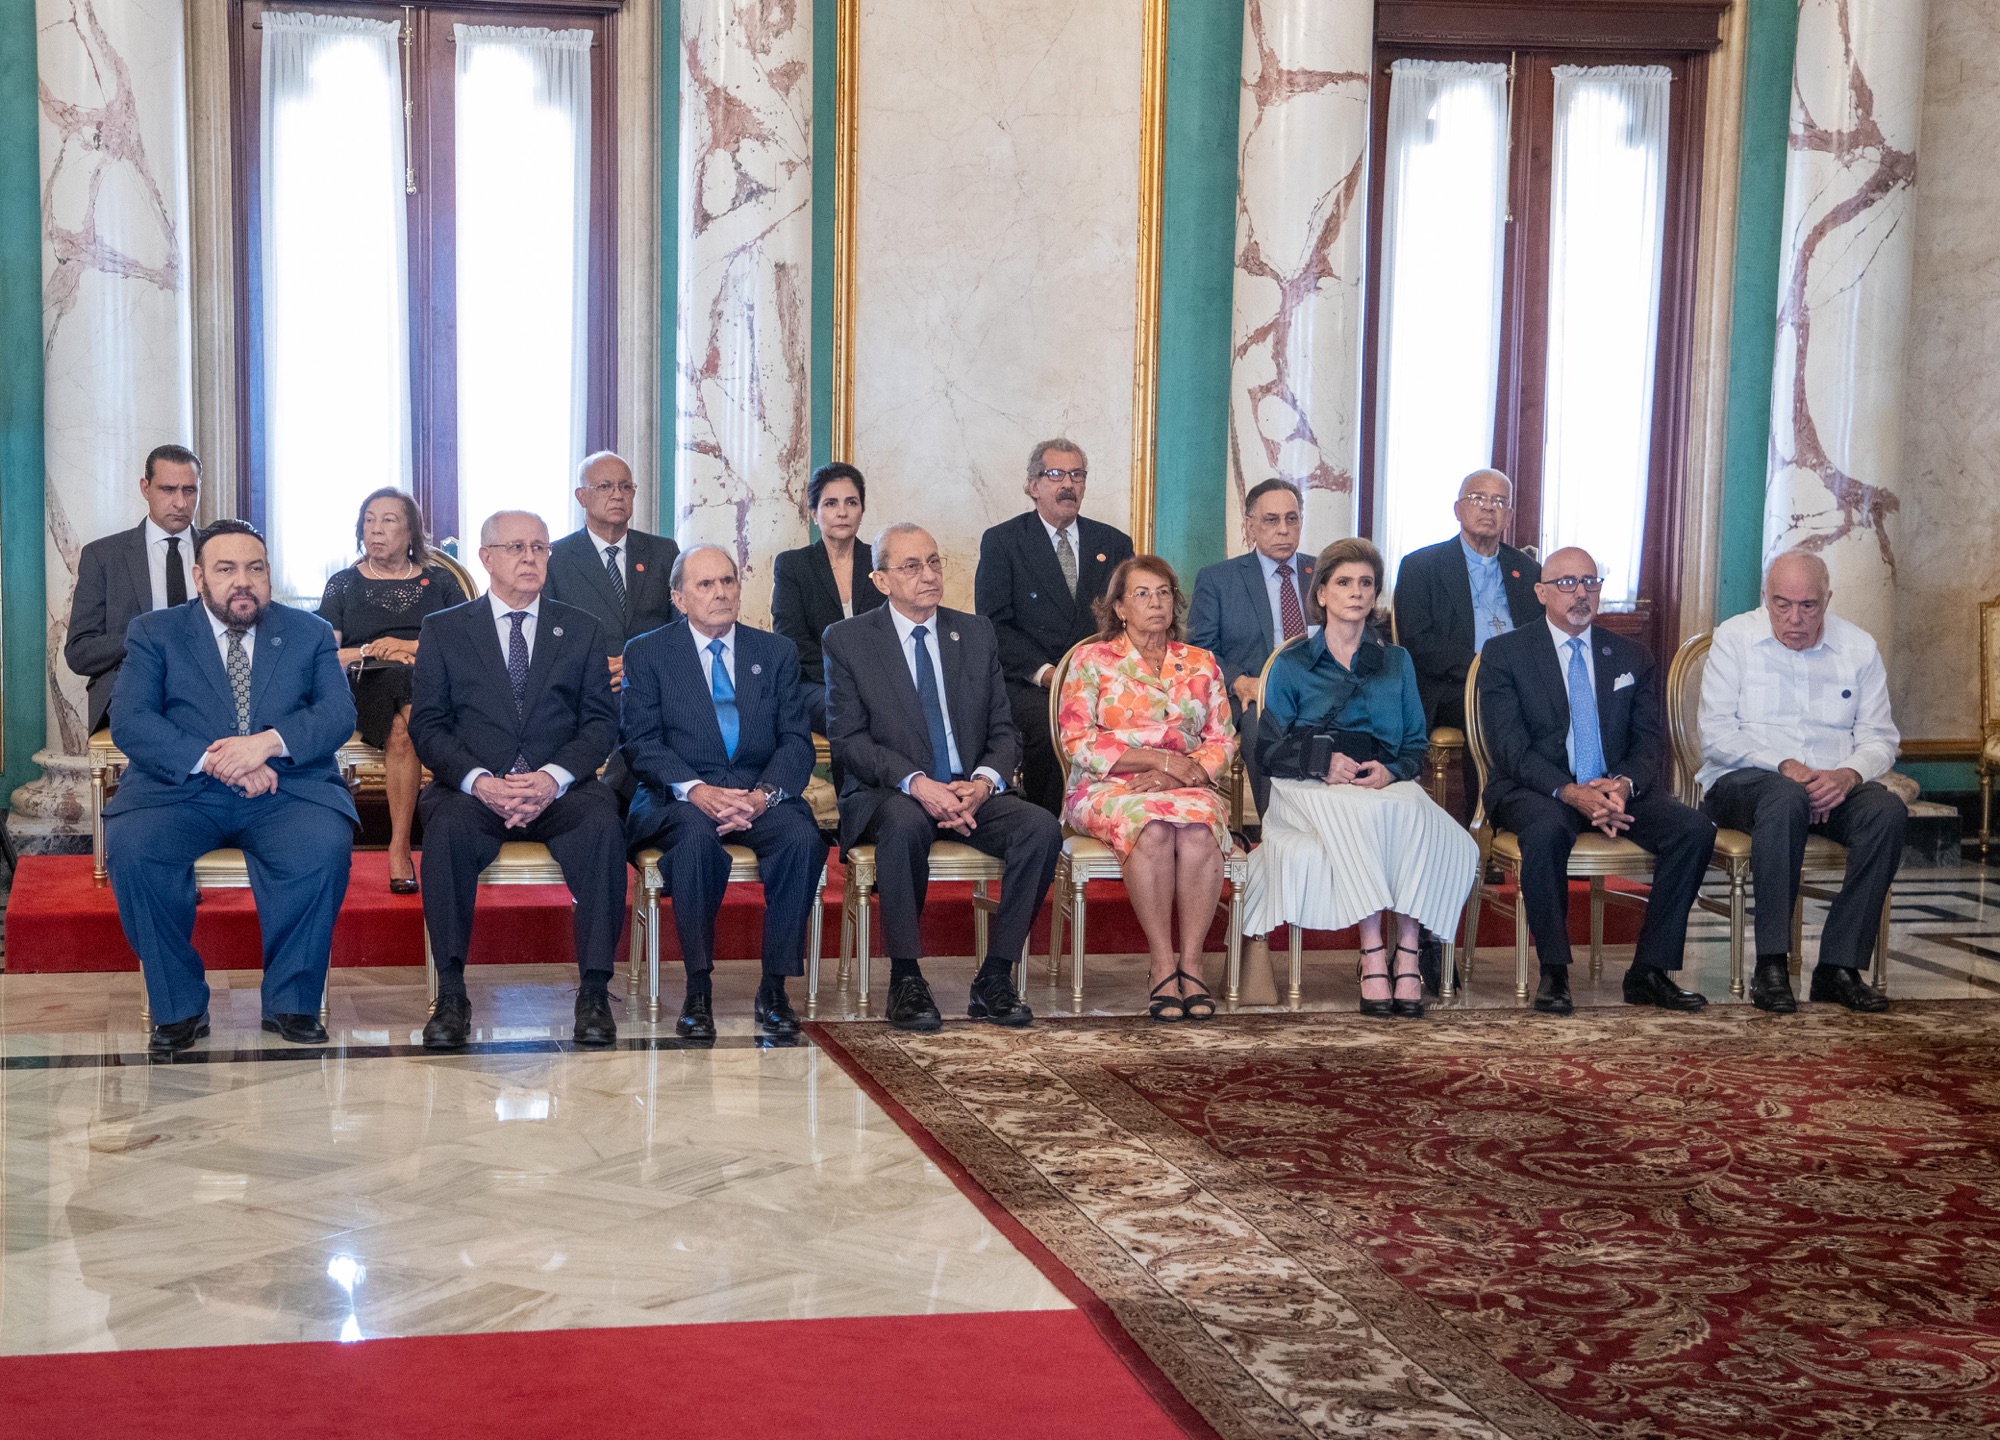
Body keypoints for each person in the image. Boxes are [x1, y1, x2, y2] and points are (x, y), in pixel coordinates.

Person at [103, 519, 358, 1055]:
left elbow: (337, 714)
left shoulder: (309, 632)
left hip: (285, 788)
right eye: (226, 569)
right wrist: (218, 760)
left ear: (269, 575)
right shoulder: (155, 632)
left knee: (323, 846)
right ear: (199, 577)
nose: (243, 581)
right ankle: (178, 1007)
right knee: (136, 849)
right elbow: (131, 720)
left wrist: (267, 743)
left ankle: (292, 1001)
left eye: (254, 568)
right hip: (180, 789)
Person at [825, 523, 1061, 1032]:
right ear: (881, 580)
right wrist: (916, 782)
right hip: (894, 792)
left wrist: (983, 783)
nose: (928, 575)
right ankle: (906, 978)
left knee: (1040, 828)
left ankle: (995, 975)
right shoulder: (848, 640)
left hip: (969, 790)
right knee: (904, 825)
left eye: (934, 562)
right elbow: (849, 741)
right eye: (911, 566)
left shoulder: (975, 633)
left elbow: (1004, 729)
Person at [408, 511, 626, 1051]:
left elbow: (600, 724)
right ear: (486, 558)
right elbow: (428, 725)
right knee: (446, 829)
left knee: (602, 823)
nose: (530, 558)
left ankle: (594, 991)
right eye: (516, 548)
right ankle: (452, 995)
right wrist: (479, 781)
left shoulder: (580, 628)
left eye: (539, 547)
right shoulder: (445, 629)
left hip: (560, 790)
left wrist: (552, 778)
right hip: (477, 790)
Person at [1475, 546, 1717, 1015]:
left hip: (1614, 788)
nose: (1581, 593)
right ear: (1541, 592)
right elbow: (1510, 748)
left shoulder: (1631, 655)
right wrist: (1571, 792)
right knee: (1546, 831)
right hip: (1538, 788)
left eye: (1590, 581)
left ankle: (1649, 971)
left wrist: (1623, 785)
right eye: (1567, 583)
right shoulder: (1506, 654)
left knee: (1693, 830)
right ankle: (1555, 971)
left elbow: (1649, 742)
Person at [1245, 539, 1479, 1019]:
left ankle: (1407, 950)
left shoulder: (1397, 661)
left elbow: (1415, 742)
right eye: (1344, 582)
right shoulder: (1292, 663)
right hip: (1309, 786)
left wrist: (1390, 771)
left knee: (1417, 814)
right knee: (1365, 815)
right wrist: (1322, 763)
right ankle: (1372, 950)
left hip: (1382, 781)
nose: (1356, 592)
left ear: (1375, 595)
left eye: (1366, 583)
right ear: (1322, 594)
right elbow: (1267, 750)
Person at [623, 544, 827, 1040]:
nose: (720, 593)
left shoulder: (774, 652)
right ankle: (698, 988)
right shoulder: (648, 652)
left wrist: (763, 795)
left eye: (728, 581)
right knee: (695, 843)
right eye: (705, 584)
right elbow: (641, 743)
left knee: (802, 839)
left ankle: (774, 987)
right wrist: (697, 790)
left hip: (759, 793)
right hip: (680, 796)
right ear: (679, 598)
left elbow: (795, 741)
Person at [1697, 549, 1902, 1013]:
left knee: (1886, 811)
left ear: (1827, 600)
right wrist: (1785, 765)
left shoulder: (1859, 647)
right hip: (1745, 781)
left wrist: (1847, 775)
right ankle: (1771, 965)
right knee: (1785, 797)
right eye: (1781, 604)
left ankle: (1838, 967)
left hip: (1832, 784)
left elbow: (1880, 738)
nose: (1794, 618)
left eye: (1808, 605)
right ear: (1764, 597)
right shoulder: (1734, 639)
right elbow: (1717, 735)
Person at [1058, 557, 1237, 1020]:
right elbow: (1077, 740)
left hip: (1188, 783)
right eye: (1142, 594)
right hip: (1108, 786)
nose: (1155, 602)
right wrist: (1158, 761)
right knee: (1152, 827)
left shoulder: (1201, 662)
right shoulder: (1091, 661)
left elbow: (1223, 739)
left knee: (1198, 828)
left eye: (1163, 593)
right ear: (1119, 607)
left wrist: (1176, 774)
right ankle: (1161, 962)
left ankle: (1191, 963)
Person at [316, 489, 467, 893]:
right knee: (403, 715)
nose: (375, 529)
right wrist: (372, 649)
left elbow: (466, 644)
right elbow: (325, 653)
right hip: (366, 678)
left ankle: (417, 838)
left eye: (388, 520)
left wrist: (410, 648)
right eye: (369, 519)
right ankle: (401, 844)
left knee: (406, 717)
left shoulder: (441, 582)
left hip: (430, 675)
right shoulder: (343, 584)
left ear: (411, 530)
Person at [975, 438, 1136, 813]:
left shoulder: (1113, 543)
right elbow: (993, 625)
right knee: (1052, 732)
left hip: (1103, 679)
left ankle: (1118, 818)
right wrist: (1049, 674)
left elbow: (1128, 619)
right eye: (1055, 475)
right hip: (1033, 683)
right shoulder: (1003, 542)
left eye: (1077, 475)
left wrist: (1103, 674)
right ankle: (1050, 828)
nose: (1068, 484)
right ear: (1033, 485)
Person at [1187, 478, 1314, 810]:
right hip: (1256, 694)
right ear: (1250, 525)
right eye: (1271, 520)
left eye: (1292, 519)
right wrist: (1239, 681)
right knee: (1262, 727)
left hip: (1319, 688)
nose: (1283, 529)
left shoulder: (1323, 573)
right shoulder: (1218, 579)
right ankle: (1277, 826)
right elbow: (1200, 651)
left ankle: (1341, 825)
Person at [65, 444, 205, 735]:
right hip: (134, 690)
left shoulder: (219, 554)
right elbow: (80, 652)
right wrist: (148, 636)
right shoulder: (104, 556)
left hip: (208, 692)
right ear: (146, 488)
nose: (180, 503)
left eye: (189, 490)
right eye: (168, 489)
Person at [1393, 469, 1542, 730]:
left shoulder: (1528, 571)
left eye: (1499, 501)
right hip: (1455, 686)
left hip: (1519, 683)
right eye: (1477, 498)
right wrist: (1485, 669)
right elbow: (1418, 641)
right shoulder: (1421, 566)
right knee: (1505, 708)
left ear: (1508, 516)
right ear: (1458, 510)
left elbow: (1539, 634)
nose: (1488, 507)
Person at [544, 451, 681, 689]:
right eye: (605, 486)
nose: (617, 495)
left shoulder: (663, 552)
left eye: (625, 487)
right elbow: (546, 634)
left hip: (654, 685)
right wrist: (592, 667)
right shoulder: (556, 558)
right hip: (586, 691)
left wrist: (637, 663)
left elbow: (681, 624)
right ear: (581, 497)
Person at [772, 461, 888, 733]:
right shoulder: (793, 565)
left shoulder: (881, 562)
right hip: (815, 682)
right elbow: (792, 641)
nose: (842, 512)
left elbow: (892, 632)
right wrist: (846, 677)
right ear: (814, 513)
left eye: (851, 502)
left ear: (861, 510)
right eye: (831, 504)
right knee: (845, 710)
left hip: (879, 680)